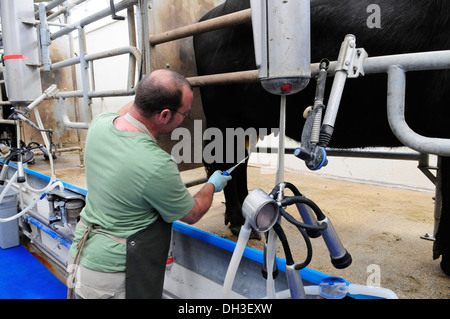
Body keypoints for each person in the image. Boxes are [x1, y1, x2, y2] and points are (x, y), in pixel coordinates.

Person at [67, 69, 231, 299]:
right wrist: (212, 184)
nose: (185, 118)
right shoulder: (156, 163)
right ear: (164, 115)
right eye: (185, 114)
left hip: (83, 258)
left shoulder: (100, 124)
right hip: (118, 276)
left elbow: (131, 109)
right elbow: (191, 214)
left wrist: (152, 88)